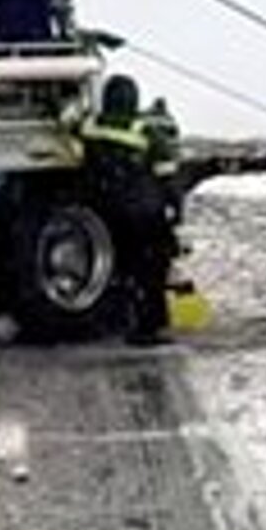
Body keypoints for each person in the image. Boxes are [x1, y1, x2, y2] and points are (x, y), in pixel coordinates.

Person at [80, 74, 181, 344]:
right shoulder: (144, 132)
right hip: (142, 212)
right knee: (151, 268)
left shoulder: (91, 127)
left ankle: (117, 318)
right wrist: (174, 210)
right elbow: (167, 175)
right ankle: (148, 328)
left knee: (121, 267)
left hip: (106, 210)